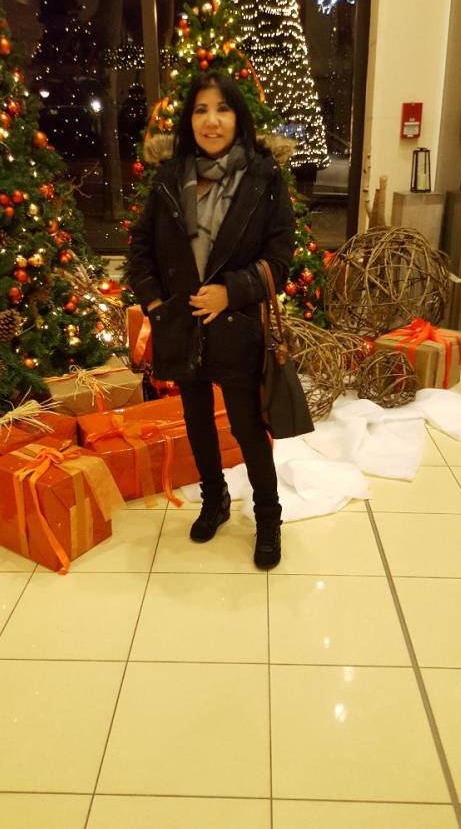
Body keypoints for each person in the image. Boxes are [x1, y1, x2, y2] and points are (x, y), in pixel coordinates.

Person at [128, 72, 295, 569]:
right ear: (190, 119)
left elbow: (280, 261)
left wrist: (231, 292)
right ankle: (214, 499)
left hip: (236, 326)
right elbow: (141, 249)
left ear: (238, 117)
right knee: (197, 423)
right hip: (181, 327)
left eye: (222, 108)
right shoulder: (169, 177)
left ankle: (268, 518)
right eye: (201, 109)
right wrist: (155, 304)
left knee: (247, 428)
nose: (211, 120)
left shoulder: (263, 178)